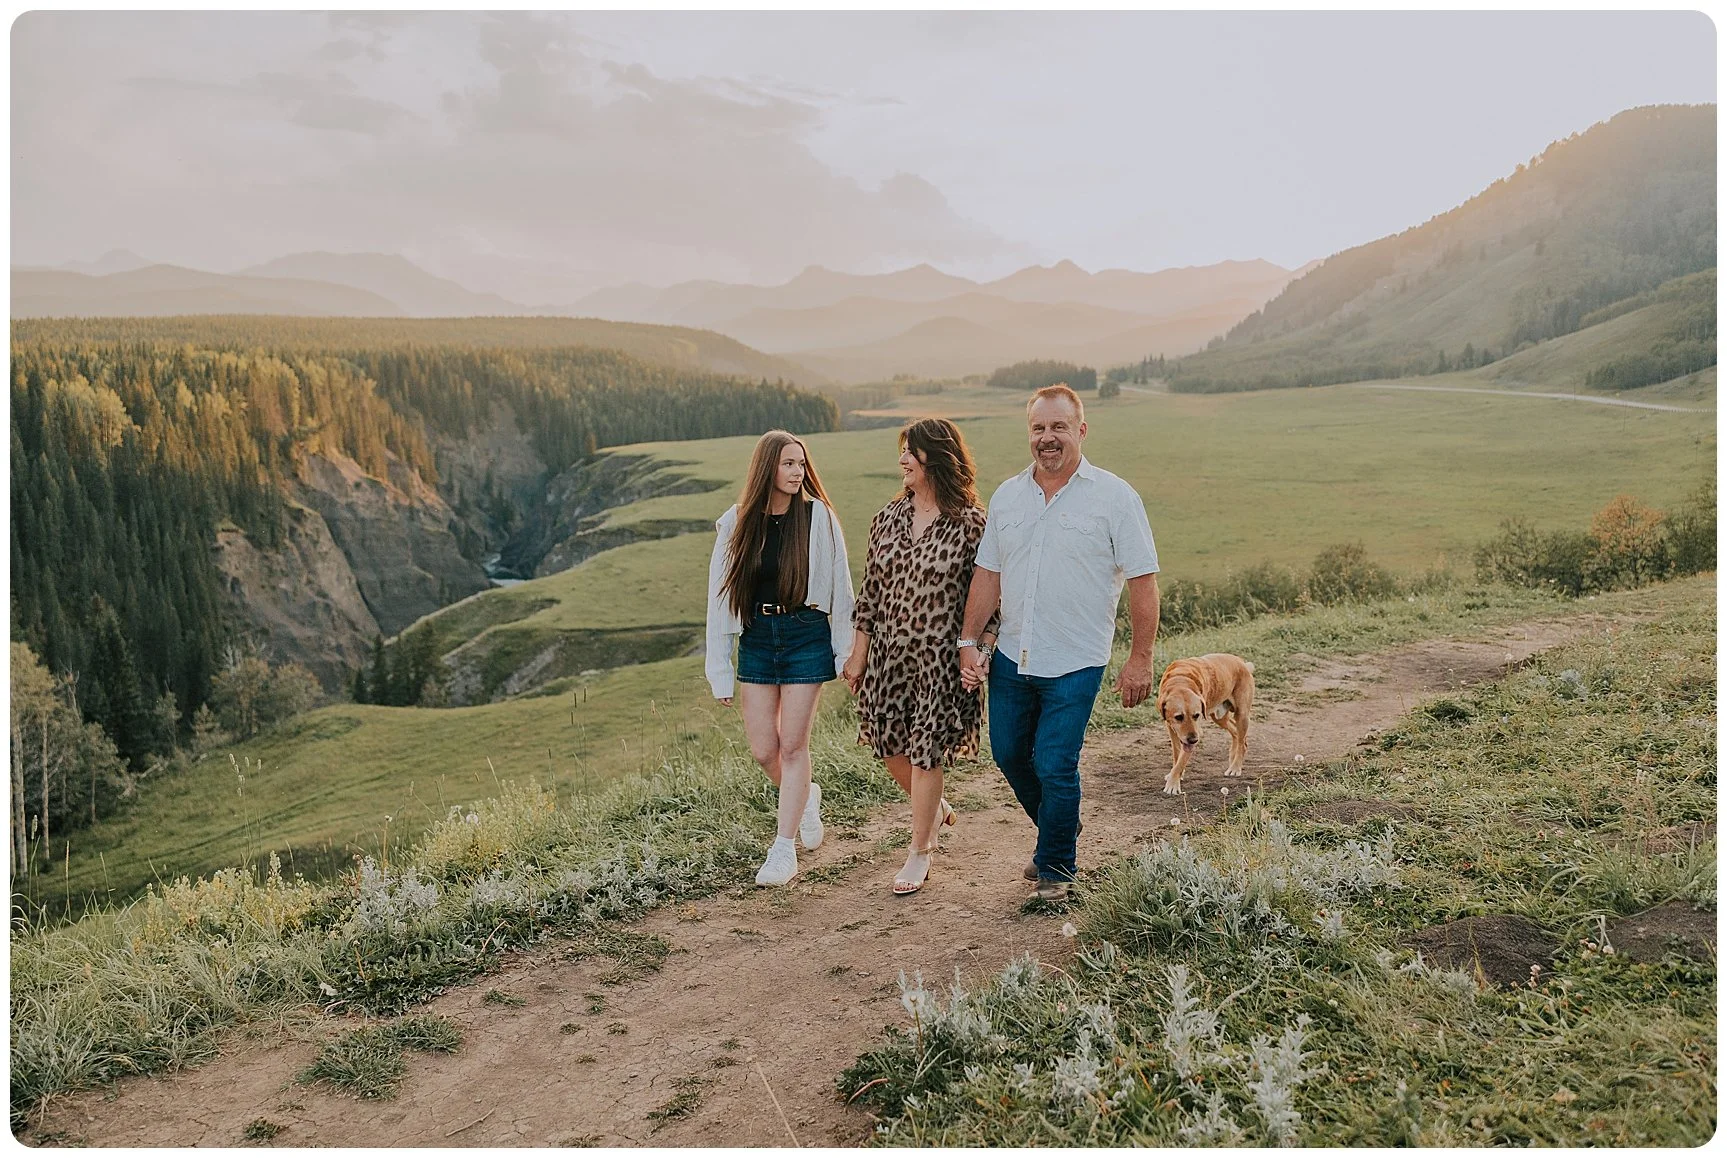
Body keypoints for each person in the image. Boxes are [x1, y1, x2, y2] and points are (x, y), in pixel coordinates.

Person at [958, 384, 1160, 902]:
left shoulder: (1115, 497)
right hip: (1012, 654)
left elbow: (1143, 580)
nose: (1048, 438)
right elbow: (987, 575)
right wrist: (967, 641)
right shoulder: (1008, 496)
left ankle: (1056, 870)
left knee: (1053, 762)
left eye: (1059, 427)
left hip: (1076, 659)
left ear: (1081, 431)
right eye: (1039, 428)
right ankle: (1060, 830)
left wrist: (1140, 659)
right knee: (1008, 753)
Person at [842, 419, 998, 895]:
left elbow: (993, 597)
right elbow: (870, 593)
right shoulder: (886, 518)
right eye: (902, 451)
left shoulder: (971, 522)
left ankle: (920, 850)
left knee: (926, 749)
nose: (903, 460)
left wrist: (980, 652)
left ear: (938, 457)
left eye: (912, 452)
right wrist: (859, 653)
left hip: (940, 660)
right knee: (889, 745)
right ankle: (936, 806)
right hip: (888, 657)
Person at [705, 430, 853, 886]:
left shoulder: (819, 518)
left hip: (805, 632)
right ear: (767, 467)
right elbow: (717, 597)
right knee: (763, 749)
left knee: (792, 745)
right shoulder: (736, 522)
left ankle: (783, 850)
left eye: (801, 464)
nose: (797, 472)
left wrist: (844, 650)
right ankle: (806, 797)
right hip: (757, 636)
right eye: (788, 463)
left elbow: (842, 589)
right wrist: (721, 671)